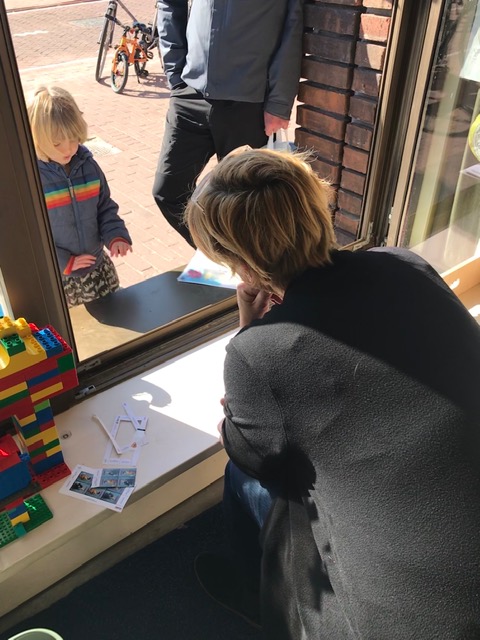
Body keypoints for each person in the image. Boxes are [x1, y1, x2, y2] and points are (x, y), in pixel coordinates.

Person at [185, 148, 480, 639]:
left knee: (249, 479)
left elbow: (250, 454)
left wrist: (249, 330)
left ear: (243, 264)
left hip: (406, 620)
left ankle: (258, 595)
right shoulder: (404, 264)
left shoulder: (260, 352)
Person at [153, 0, 303, 247]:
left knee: (248, 206)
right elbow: (169, 4)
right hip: (190, 95)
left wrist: (279, 102)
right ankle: (223, 256)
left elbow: (292, 25)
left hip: (248, 104)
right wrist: (175, 75)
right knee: (168, 191)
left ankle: (246, 262)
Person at [27, 86, 132, 308]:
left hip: (97, 268)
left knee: (113, 314)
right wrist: (63, 261)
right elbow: (29, 233)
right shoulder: (32, 179)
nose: (68, 149)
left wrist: (116, 235)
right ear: (37, 138)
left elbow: (104, 207)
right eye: (57, 143)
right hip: (59, 275)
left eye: (74, 139)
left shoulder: (89, 167)